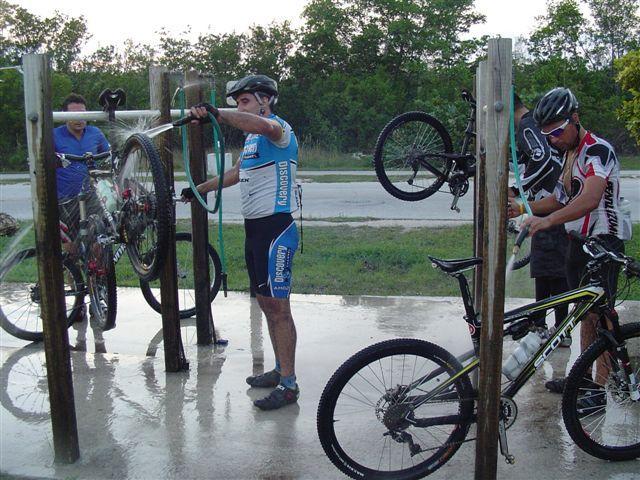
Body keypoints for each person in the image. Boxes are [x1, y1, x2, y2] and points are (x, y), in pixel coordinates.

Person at [181, 74, 300, 410]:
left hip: (276, 230)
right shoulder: (250, 142)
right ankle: (279, 371)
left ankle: (289, 385)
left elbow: (260, 126)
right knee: (266, 305)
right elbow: (236, 173)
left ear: (266, 100)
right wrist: (199, 189)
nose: (239, 108)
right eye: (236, 103)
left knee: (279, 310)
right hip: (255, 232)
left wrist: (216, 113)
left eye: (244, 101)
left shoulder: (278, 129)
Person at [508, 87, 632, 402]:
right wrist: (524, 209)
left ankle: (601, 388)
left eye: (558, 132)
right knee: (583, 313)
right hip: (577, 244)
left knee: (600, 316)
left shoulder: (597, 150)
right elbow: (558, 199)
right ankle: (584, 377)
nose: (554, 140)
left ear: (575, 119)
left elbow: (589, 198)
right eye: (548, 135)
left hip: (603, 244)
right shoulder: (568, 156)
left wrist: (547, 222)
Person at [509, 93, 570, 345]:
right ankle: (546, 326)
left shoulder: (526, 124)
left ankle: (555, 330)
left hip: (551, 209)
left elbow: (543, 160)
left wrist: (517, 192)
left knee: (551, 272)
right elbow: (534, 158)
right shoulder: (533, 124)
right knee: (546, 271)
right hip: (548, 207)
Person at [55, 93, 111, 354]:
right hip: (64, 200)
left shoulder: (96, 134)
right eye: (73, 115)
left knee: (98, 242)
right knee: (71, 251)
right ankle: (77, 300)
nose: (79, 120)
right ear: (65, 116)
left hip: (91, 197)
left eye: (83, 115)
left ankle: (96, 293)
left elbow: (108, 160)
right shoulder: (54, 135)